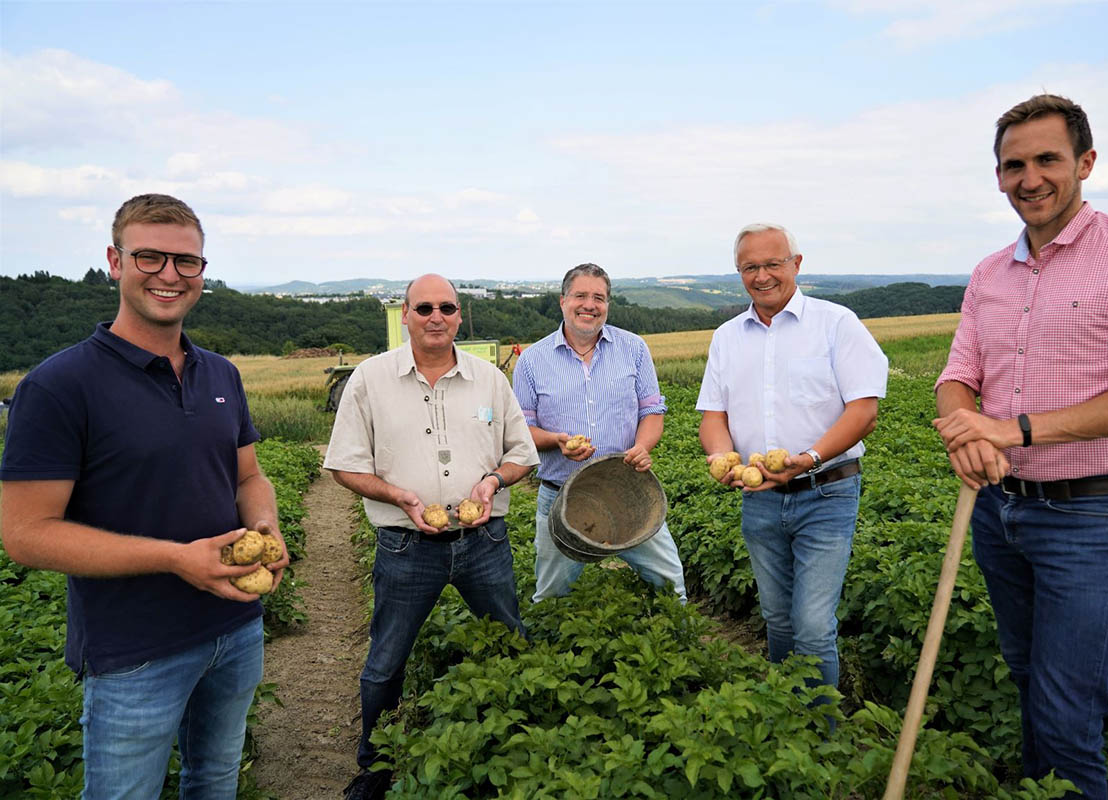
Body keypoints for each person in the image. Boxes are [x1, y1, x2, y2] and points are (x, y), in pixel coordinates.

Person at [933, 94, 1108, 798]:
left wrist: (1012, 430)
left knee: (1067, 712)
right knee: (1026, 681)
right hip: (997, 511)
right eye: (1012, 165)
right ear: (998, 177)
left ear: (1085, 162)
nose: (1030, 178)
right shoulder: (990, 273)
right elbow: (957, 378)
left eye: (1047, 159)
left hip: (1086, 518)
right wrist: (965, 431)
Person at [0, 193, 286, 799]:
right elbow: (24, 533)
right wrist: (176, 559)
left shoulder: (221, 374)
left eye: (187, 262)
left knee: (214, 781)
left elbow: (248, 478)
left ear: (203, 271)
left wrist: (266, 529)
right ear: (115, 260)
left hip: (235, 627)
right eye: (149, 257)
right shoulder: (59, 386)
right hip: (135, 648)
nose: (169, 275)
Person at [324, 273, 538, 800]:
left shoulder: (489, 379)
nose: (436, 316)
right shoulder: (370, 379)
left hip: (483, 542)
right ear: (406, 315)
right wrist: (400, 496)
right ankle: (374, 764)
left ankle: (515, 744)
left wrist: (491, 480)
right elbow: (344, 466)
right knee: (386, 660)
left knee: (508, 641)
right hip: (405, 545)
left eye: (446, 307)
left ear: (460, 315)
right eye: (424, 308)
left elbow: (522, 454)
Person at [696, 223, 888, 689]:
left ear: (796, 265)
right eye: (750, 267)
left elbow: (864, 411)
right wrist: (722, 457)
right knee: (778, 619)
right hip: (759, 496)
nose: (762, 276)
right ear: (739, 272)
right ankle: (788, 717)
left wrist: (809, 456)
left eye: (772, 264)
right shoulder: (727, 336)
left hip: (826, 492)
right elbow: (713, 417)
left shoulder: (836, 323)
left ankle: (820, 735)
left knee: (812, 625)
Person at [513, 263, 687, 603]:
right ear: (563, 301)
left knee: (670, 582)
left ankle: (678, 634)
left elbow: (652, 411)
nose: (589, 305)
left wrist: (642, 445)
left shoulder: (633, 349)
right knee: (552, 594)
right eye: (580, 295)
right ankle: (551, 652)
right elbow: (522, 431)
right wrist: (555, 441)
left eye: (599, 297)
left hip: (625, 489)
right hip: (560, 494)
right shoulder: (532, 361)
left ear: (608, 304)